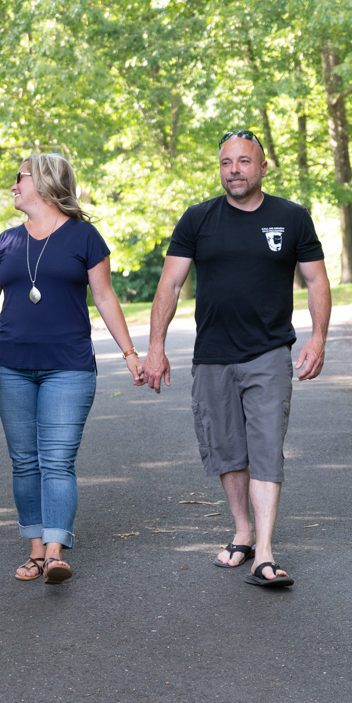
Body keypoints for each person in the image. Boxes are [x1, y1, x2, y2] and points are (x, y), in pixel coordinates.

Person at [140, 130, 331, 587]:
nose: (234, 171)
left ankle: (264, 552)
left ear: (263, 167)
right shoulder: (198, 219)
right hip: (212, 355)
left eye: (244, 162)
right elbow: (169, 285)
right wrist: (155, 347)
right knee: (227, 448)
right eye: (227, 163)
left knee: (265, 446)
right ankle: (242, 531)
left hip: (268, 351)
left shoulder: (291, 217)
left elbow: (317, 281)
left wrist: (318, 338)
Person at [0, 153, 142, 584]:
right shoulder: (5, 242)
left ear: (43, 183)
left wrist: (129, 353)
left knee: (58, 460)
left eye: (19, 178)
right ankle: (35, 550)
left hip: (69, 367)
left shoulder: (85, 237)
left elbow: (104, 298)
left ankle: (55, 550)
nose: (13, 186)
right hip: (12, 367)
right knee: (24, 461)